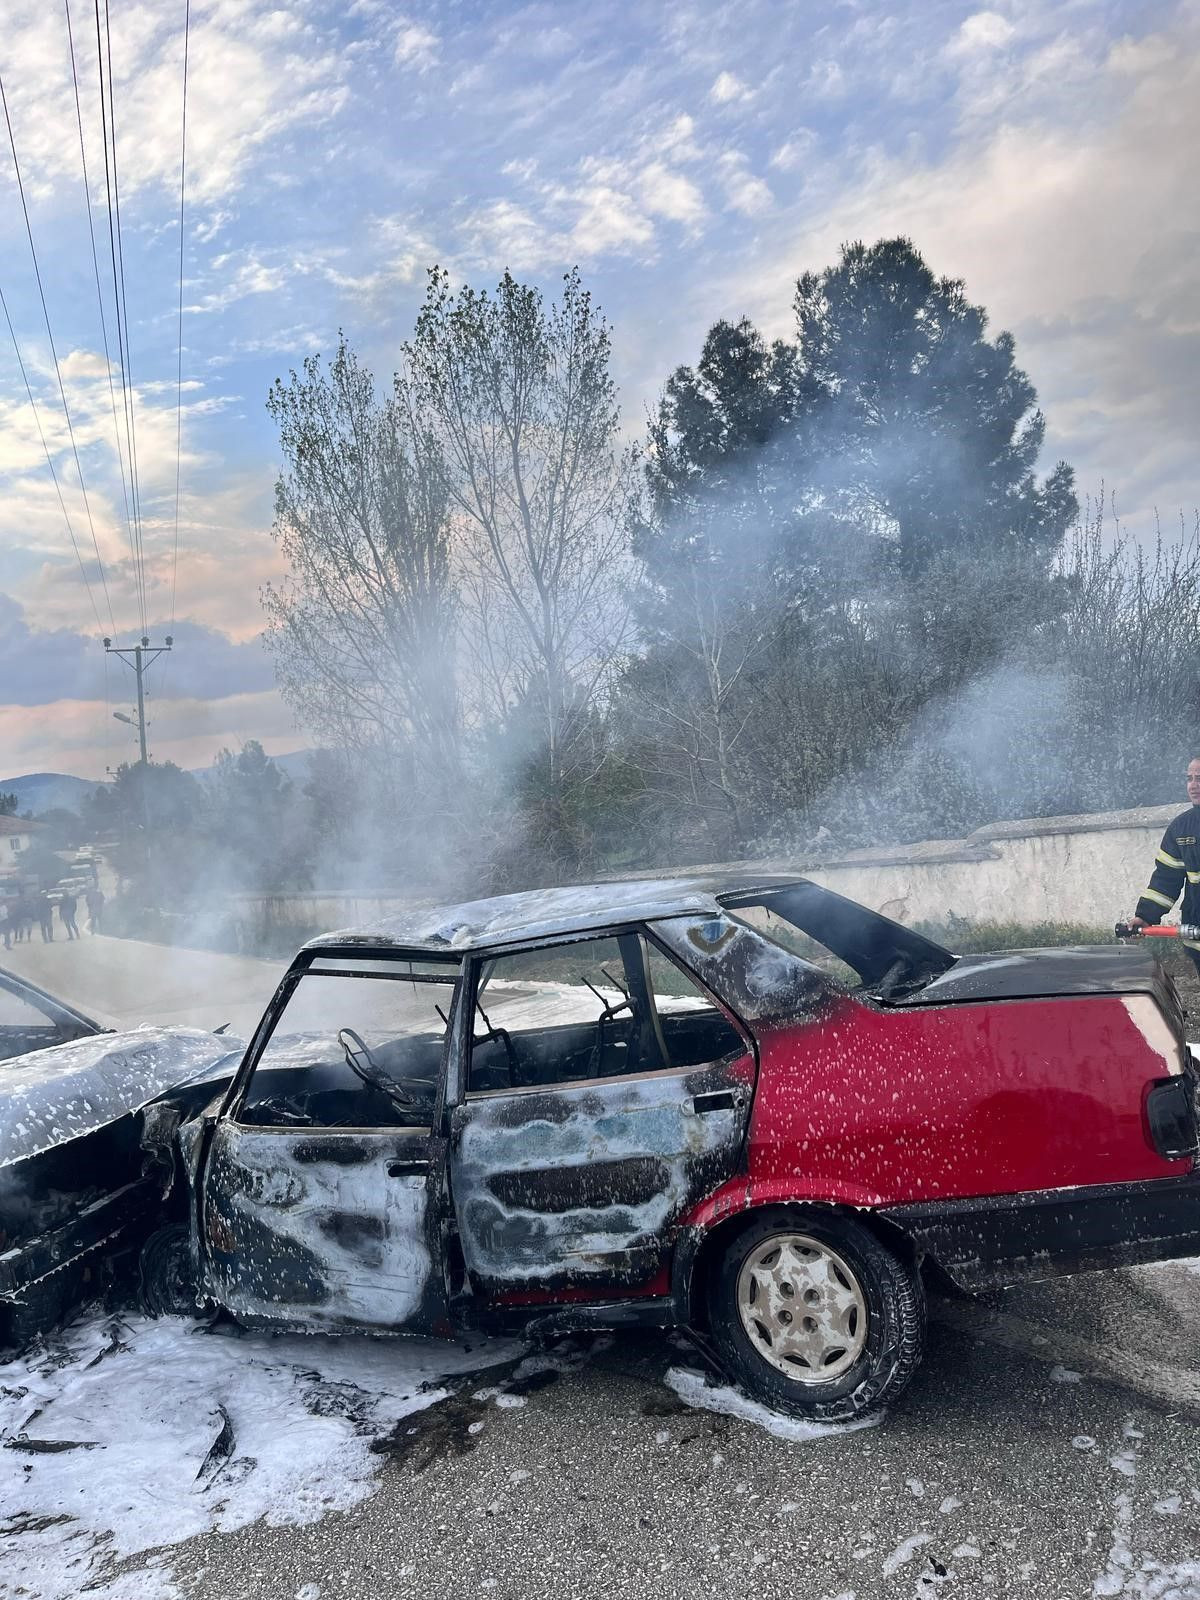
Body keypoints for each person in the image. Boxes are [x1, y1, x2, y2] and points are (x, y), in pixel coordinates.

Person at [1130, 757, 1200, 972]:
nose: (1193, 785)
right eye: (1190, 778)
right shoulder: (1181, 829)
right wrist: (1145, 916)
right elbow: (1166, 880)